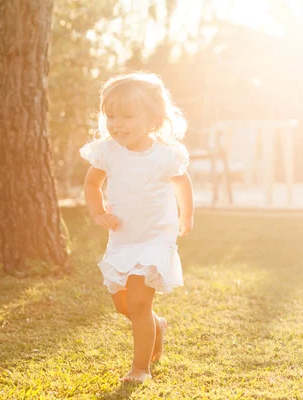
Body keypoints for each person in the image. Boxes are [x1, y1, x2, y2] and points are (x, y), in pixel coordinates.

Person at [80, 72, 194, 382]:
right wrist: (98, 212)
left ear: (154, 119)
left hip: (156, 235)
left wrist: (186, 216)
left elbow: (182, 183)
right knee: (123, 304)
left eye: (127, 116)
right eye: (111, 115)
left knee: (140, 302)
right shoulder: (107, 151)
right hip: (123, 237)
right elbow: (92, 183)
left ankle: (140, 368)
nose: (117, 123)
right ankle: (157, 323)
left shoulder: (166, 154)